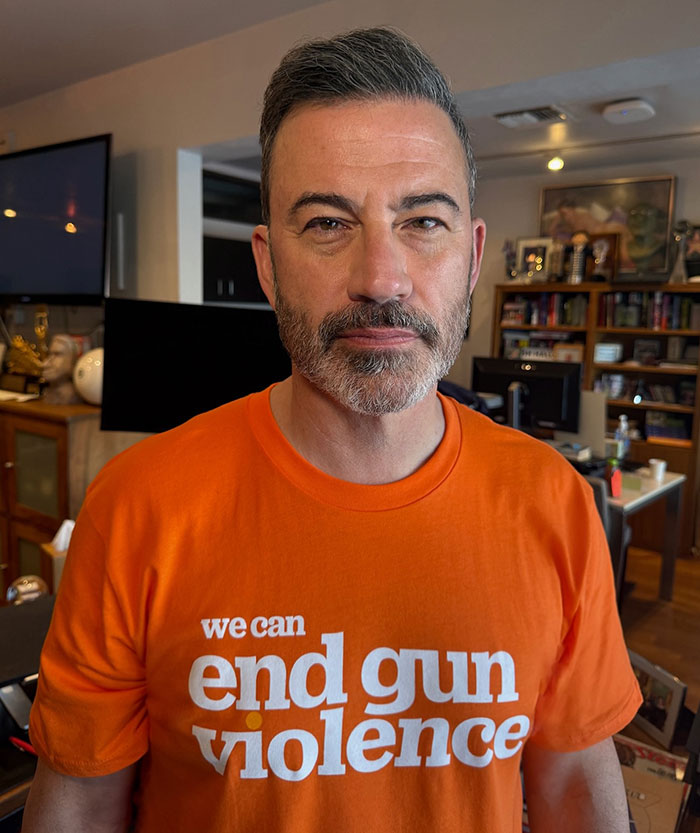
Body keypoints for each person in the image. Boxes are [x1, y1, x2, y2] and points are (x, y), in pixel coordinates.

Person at [23, 27, 641, 833]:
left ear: (473, 254)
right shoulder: (137, 506)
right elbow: (78, 808)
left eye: (423, 220)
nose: (380, 277)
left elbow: (576, 795)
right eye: (325, 222)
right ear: (268, 262)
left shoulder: (555, 502)